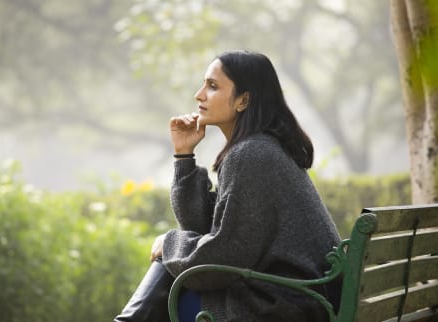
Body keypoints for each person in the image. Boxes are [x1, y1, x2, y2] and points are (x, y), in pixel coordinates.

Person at [140, 50, 340, 322]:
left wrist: (170, 244)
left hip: (284, 307)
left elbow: (222, 259)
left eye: (212, 86)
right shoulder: (259, 148)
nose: (199, 95)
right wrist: (184, 155)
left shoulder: (251, 154)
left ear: (243, 100)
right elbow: (204, 230)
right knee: (172, 271)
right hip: (301, 300)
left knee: (171, 279)